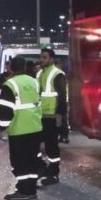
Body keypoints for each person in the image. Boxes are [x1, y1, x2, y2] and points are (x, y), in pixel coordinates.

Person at [0, 56, 44, 200]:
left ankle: (24, 190)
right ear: (24, 67)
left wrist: (1, 129)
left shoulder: (10, 84)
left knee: (19, 161)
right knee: (31, 160)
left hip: (19, 130)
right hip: (35, 127)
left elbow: (5, 109)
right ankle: (30, 188)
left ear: (11, 67)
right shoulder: (34, 81)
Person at [35, 47, 67, 184]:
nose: (42, 60)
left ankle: (53, 173)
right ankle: (43, 168)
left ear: (51, 59)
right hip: (40, 115)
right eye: (41, 57)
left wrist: (60, 115)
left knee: (51, 146)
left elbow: (61, 96)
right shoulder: (40, 74)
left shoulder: (57, 74)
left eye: (44, 57)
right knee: (36, 144)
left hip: (52, 115)